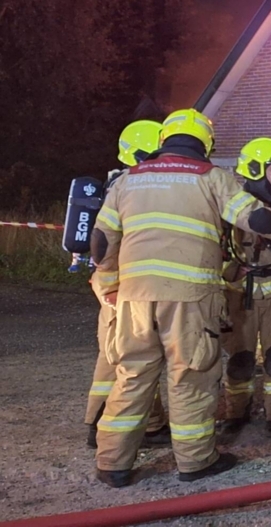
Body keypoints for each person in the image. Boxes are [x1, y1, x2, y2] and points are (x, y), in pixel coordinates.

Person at [90, 110, 271, 488]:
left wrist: (109, 285)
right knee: (190, 374)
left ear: (164, 141)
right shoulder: (211, 178)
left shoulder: (128, 181)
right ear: (206, 143)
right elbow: (256, 220)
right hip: (189, 298)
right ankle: (195, 461)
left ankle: (113, 464)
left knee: (132, 374)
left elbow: (102, 241)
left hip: (134, 298)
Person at [85, 120, 170, 450]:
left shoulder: (126, 186)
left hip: (125, 287)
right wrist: (112, 292)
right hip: (121, 289)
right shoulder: (127, 188)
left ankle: (152, 425)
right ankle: (99, 425)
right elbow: (107, 248)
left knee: (134, 358)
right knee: (120, 361)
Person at [220, 138, 271, 438]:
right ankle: (236, 413)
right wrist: (229, 272)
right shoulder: (233, 208)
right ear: (255, 168)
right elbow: (214, 250)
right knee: (240, 359)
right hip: (241, 295)